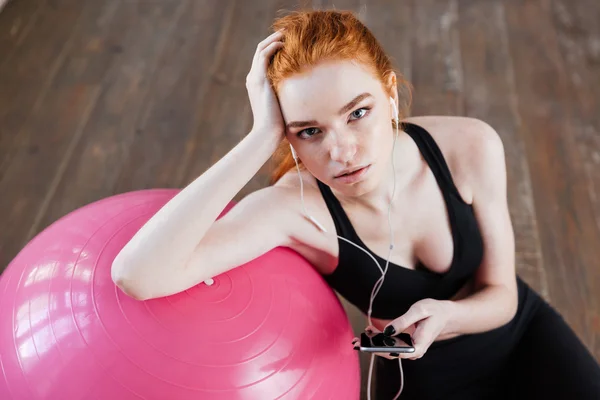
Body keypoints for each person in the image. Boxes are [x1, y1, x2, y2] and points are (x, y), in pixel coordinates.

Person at [111, 9, 600, 400]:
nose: (341, 152)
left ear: (390, 92)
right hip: (420, 380)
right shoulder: (293, 210)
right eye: (309, 131)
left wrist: (447, 317)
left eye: (357, 113)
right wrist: (260, 139)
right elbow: (138, 274)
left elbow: (503, 297)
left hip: (517, 334)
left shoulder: (469, 147)